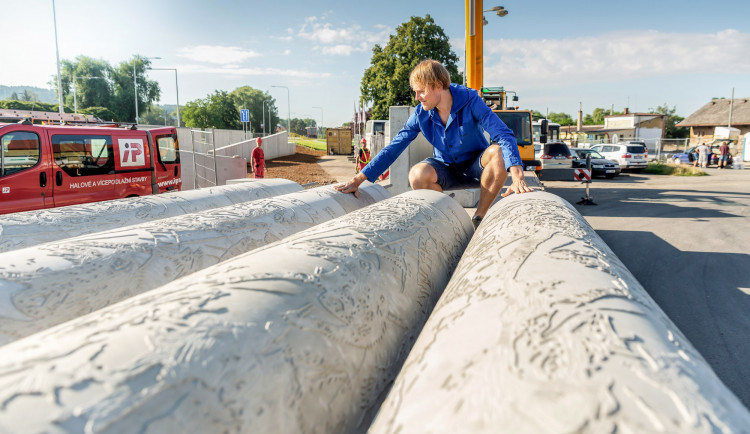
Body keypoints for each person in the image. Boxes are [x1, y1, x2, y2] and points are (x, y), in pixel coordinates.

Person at [335, 59, 533, 229]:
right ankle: (449, 216)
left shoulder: (471, 100)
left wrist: (517, 176)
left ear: (438, 85)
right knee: (417, 174)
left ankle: (479, 218)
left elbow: (504, 134)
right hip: (444, 168)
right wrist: (358, 180)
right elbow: (394, 147)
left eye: (421, 92)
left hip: (476, 168)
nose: (417, 97)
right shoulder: (421, 114)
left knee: (497, 151)